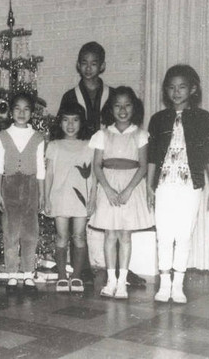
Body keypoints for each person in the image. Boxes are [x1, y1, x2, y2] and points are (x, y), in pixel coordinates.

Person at [147, 64, 209, 304]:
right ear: (166, 91)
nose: (176, 92)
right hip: (164, 184)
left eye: (182, 87)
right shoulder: (158, 119)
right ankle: (164, 282)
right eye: (171, 87)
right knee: (164, 235)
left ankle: (178, 284)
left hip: (190, 185)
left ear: (193, 89)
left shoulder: (203, 118)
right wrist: (149, 185)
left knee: (183, 234)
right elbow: (152, 156)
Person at [57, 41, 116, 285]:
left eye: (94, 63)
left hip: (106, 160)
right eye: (84, 62)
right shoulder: (71, 96)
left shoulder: (113, 95)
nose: (88, 68)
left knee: (107, 213)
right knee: (78, 215)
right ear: (78, 65)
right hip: (79, 161)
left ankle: (117, 266)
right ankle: (80, 268)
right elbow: (61, 132)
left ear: (102, 65)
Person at [89, 86, 154, 299]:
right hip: (108, 186)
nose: (122, 110)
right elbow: (97, 165)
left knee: (125, 235)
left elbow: (143, 166)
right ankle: (111, 281)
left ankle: (123, 282)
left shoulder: (141, 135)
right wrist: (106, 189)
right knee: (110, 235)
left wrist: (127, 190)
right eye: (117, 105)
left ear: (134, 108)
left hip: (130, 188)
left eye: (127, 105)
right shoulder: (102, 134)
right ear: (111, 109)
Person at [0, 92, 45, 291]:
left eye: (26, 109)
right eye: (17, 108)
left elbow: (41, 169)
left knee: (30, 232)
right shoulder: (2, 136)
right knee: (10, 231)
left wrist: (41, 195)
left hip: (31, 187)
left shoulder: (38, 138)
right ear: (11, 112)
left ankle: (28, 273)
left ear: (32, 112)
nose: (21, 112)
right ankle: (12, 273)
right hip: (9, 187)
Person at [45, 103, 96, 293]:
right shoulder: (54, 145)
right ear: (60, 123)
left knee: (79, 236)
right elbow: (49, 173)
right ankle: (61, 276)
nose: (70, 125)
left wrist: (92, 198)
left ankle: (76, 276)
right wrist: (46, 197)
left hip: (81, 198)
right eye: (66, 120)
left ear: (82, 123)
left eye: (75, 120)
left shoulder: (89, 145)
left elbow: (94, 175)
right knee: (61, 236)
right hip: (60, 196)